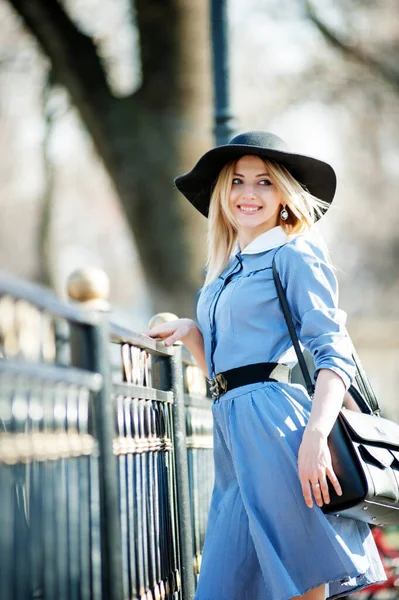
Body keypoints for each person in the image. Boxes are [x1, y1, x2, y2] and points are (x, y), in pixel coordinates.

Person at [144, 132, 386, 600]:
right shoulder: (224, 269)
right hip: (233, 438)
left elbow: (334, 352)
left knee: (294, 586)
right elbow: (227, 375)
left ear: (284, 196)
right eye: (237, 181)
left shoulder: (293, 254)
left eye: (264, 183)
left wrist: (315, 436)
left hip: (278, 435)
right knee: (223, 587)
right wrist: (192, 331)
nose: (248, 194)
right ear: (222, 193)